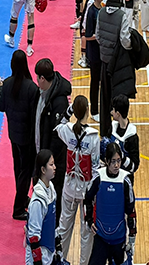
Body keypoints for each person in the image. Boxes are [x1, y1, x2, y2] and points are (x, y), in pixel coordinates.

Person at [55, 95, 99, 265]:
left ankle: (60, 260)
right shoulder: (93, 137)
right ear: (87, 110)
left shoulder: (67, 131)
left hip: (69, 187)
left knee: (64, 228)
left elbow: (58, 124)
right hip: (86, 190)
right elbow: (95, 168)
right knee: (86, 231)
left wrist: (68, 111)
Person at [0, 49, 40, 221]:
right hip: (27, 137)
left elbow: (0, 107)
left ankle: (22, 199)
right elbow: (34, 116)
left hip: (13, 134)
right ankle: (18, 207)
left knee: (18, 168)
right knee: (26, 171)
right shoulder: (31, 88)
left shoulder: (7, 84)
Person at [84, 141, 137, 265]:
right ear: (107, 161)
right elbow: (87, 199)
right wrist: (89, 221)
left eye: (119, 161)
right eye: (113, 161)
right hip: (100, 238)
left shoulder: (125, 180)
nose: (117, 165)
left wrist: (132, 237)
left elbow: (131, 211)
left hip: (119, 240)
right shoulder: (98, 177)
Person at [34, 57, 72, 218]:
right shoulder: (43, 93)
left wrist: (48, 161)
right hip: (41, 153)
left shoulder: (59, 102)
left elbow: (58, 137)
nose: (36, 82)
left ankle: (54, 227)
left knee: (54, 196)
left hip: (53, 159)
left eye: (38, 78)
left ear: (43, 78)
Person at [96, 0, 132, 136]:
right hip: (117, 64)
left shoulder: (101, 12)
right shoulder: (122, 15)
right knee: (118, 99)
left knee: (104, 99)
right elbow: (125, 40)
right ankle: (120, 132)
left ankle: (105, 132)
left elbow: (98, 36)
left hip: (104, 61)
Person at [26, 149, 58, 265]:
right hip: (39, 256)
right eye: (51, 165)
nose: (55, 167)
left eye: (54, 164)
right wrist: (38, 261)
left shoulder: (51, 188)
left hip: (49, 251)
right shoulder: (38, 201)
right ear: (43, 170)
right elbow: (33, 236)